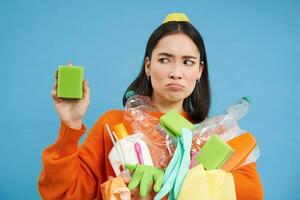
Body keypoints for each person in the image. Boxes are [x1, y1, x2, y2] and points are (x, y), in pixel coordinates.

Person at [38, 13, 263, 200]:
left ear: (199, 71)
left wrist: (164, 182)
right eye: (164, 59)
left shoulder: (217, 135)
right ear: (148, 65)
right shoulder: (114, 124)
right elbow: (64, 194)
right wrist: (71, 123)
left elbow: (251, 192)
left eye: (187, 62)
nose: (176, 72)